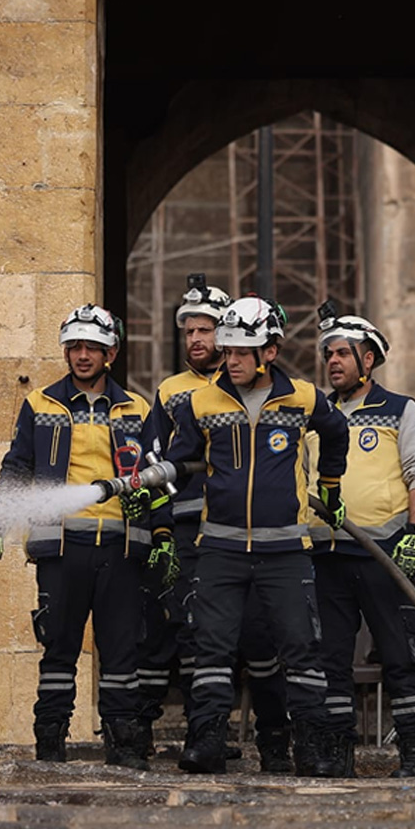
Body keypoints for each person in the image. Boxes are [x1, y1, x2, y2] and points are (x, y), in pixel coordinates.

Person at [0, 304, 175, 769]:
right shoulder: (40, 404)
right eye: (75, 347)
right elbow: (17, 468)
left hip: (121, 548)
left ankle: (124, 746)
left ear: (111, 353)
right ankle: (50, 744)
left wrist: (162, 533)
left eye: (93, 348)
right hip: (61, 547)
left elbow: (158, 477)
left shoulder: (136, 409)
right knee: (59, 649)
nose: (83, 355)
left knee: (122, 652)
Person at [162, 294, 349, 775]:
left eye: (243, 352)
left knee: (301, 649)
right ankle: (206, 742)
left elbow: (336, 433)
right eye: (228, 351)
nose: (232, 361)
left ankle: (311, 749)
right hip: (220, 548)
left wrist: (330, 485)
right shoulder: (200, 402)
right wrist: (156, 481)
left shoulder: (303, 397)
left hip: (286, 549)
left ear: (271, 351)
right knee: (211, 648)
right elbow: (181, 460)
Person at [139, 275, 292, 772]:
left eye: (205, 330)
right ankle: (205, 733)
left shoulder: (256, 389)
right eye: (189, 332)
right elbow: (156, 462)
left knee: (261, 634)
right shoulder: (171, 392)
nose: (196, 340)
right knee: (199, 632)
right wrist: (162, 531)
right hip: (192, 528)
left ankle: (275, 740)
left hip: (251, 530)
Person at [309, 304, 415, 778]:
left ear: (368, 360)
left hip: (382, 552)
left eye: (343, 353)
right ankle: (336, 754)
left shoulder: (401, 410)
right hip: (326, 554)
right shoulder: (317, 415)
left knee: (402, 656)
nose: (333, 361)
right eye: (329, 354)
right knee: (330, 661)